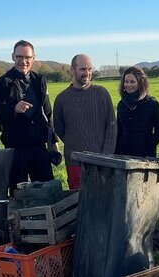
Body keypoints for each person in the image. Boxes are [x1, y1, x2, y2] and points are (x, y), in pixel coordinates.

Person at [0, 40, 61, 191]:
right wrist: (14, 109)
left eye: (27, 57)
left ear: (33, 58)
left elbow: (48, 113)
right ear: (13, 57)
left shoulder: (39, 81)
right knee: (18, 195)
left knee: (47, 191)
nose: (23, 61)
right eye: (19, 57)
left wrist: (54, 145)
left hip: (39, 147)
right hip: (16, 148)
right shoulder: (3, 82)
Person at [114, 66, 159, 249]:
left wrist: (148, 146)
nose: (128, 85)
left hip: (146, 158)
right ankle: (133, 239)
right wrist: (116, 153)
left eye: (132, 81)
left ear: (140, 83)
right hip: (125, 158)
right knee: (128, 200)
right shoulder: (121, 105)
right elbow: (119, 131)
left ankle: (156, 241)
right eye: (126, 81)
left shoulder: (151, 104)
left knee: (149, 198)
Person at [53, 54, 116, 190]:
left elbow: (111, 126)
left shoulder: (102, 94)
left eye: (89, 69)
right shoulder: (62, 99)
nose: (87, 73)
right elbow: (59, 128)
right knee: (78, 203)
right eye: (82, 69)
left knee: (103, 202)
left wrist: (105, 157)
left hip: (101, 161)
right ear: (72, 70)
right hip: (75, 162)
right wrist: (75, 142)